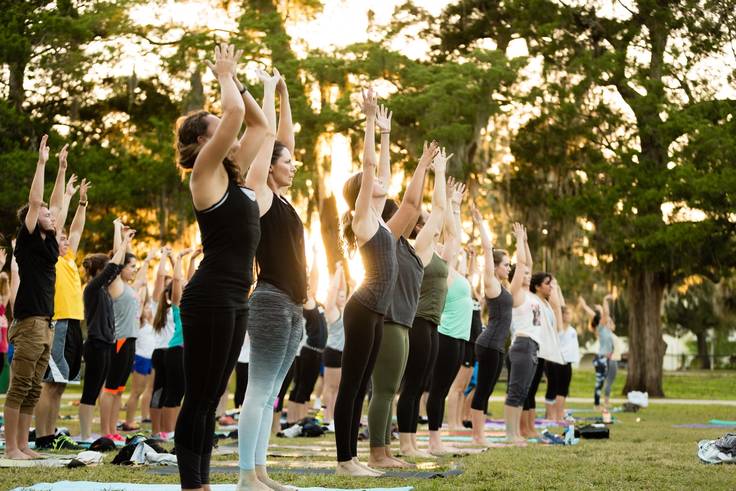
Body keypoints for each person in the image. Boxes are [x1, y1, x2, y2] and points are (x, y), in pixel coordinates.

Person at [174, 42, 270, 491]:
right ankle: (193, 485)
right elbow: (233, 116)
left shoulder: (232, 172)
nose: (226, 134)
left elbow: (259, 124)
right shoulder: (206, 172)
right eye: (215, 130)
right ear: (202, 141)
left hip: (236, 296)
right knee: (199, 396)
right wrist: (224, 76)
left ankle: (203, 481)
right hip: (209, 295)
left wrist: (241, 82)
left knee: (214, 397)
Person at [237, 65, 305, 491]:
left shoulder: (287, 200)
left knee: (271, 394)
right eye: (288, 162)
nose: (293, 165)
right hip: (270, 300)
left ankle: (261, 472)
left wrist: (283, 92)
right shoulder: (261, 194)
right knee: (258, 390)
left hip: (294, 305)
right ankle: (246, 477)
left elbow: (285, 139)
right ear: (271, 167)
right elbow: (267, 143)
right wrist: (263, 90)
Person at [366, 134, 445, 466]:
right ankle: (377, 454)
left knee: (389, 389)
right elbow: (410, 204)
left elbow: (435, 214)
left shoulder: (408, 249)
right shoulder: (385, 237)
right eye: (401, 215)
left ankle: (383, 450)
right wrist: (422, 166)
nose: (413, 219)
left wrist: (437, 175)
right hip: (388, 319)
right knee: (384, 389)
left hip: (401, 321)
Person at [334, 87, 399, 476]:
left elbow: (383, 173)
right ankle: (345, 462)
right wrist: (370, 123)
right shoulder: (362, 220)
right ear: (361, 191)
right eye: (370, 179)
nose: (379, 180)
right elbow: (370, 165)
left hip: (376, 311)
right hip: (362, 309)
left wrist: (387, 134)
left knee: (364, 387)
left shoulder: (378, 216)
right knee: (352, 386)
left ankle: (353, 459)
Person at [4, 135, 65, 460]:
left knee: (33, 387)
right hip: (28, 323)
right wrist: (41, 164)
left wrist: (60, 169)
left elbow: (54, 205)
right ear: (30, 216)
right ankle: (12, 446)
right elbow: (38, 200)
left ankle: (24, 445)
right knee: (19, 386)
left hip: (46, 323)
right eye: (41, 213)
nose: (49, 214)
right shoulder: (26, 240)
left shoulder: (50, 242)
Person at [396, 144, 449, 459]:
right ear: (419, 227)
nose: (433, 223)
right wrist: (437, 172)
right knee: (413, 385)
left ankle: (412, 443)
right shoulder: (420, 246)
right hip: (416, 322)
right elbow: (438, 211)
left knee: (420, 385)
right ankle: (405, 444)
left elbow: (443, 216)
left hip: (430, 324)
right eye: (426, 220)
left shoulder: (433, 250)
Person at [35, 176, 91, 451]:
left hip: (72, 323)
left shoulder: (68, 258)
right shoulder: (50, 259)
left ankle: (51, 433)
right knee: (49, 383)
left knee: (59, 384)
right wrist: (67, 196)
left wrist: (82, 202)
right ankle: (42, 436)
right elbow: (57, 215)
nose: (67, 241)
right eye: (62, 238)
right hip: (57, 321)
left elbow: (77, 229)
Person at [78, 226, 136, 442]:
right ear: (99, 271)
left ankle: (90, 434)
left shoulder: (102, 290)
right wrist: (122, 239)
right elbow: (115, 266)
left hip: (105, 343)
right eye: (106, 269)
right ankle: (85, 435)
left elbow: (115, 266)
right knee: (90, 392)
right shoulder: (92, 288)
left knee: (95, 391)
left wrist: (122, 238)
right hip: (95, 344)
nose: (110, 273)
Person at [426, 180, 470, 456]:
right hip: (446, 336)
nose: (448, 247)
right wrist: (450, 206)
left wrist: (456, 206)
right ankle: (434, 441)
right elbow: (452, 236)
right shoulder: (440, 269)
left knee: (442, 390)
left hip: (459, 338)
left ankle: (437, 438)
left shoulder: (452, 271)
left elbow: (455, 236)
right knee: (438, 390)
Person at [468, 205, 514, 446]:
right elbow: (488, 248)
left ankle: (480, 434)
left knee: (486, 391)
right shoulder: (491, 283)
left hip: (496, 346)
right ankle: (478, 436)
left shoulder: (504, 287)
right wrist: (479, 222)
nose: (509, 267)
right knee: (483, 390)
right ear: (495, 266)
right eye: (505, 264)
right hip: (487, 344)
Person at [287, 252, 327, 425]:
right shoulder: (306, 301)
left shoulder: (316, 302)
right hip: (307, 350)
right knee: (301, 387)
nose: (313, 286)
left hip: (316, 352)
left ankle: (300, 421)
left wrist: (316, 259)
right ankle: (293, 420)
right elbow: (313, 281)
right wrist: (311, 264)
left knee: (307, 388)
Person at [124, 291, 156, 430]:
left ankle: (143, 416)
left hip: (150, 359)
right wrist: (143, 289)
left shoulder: (151, 323)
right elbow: (141, 303)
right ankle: (129, 421)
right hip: (140, 358)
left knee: (145, 390)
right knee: (136, 391)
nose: (149, 309)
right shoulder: (140, 323)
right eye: (146, 307)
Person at [321, 262, 347, 430]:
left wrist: (343, 273)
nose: (343, 296)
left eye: (344, 295)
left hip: (342, 353)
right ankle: (326, 417)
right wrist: (337, 271)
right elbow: (332, 291)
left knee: (338, 388)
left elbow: (343, 289)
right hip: (332, 352)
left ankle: (333, 418)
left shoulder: (345, 309)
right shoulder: (331, 310)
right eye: (340, 295)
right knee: (329, 387)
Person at [580, 294, 616, 410]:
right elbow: (606, 313)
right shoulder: (600, 327)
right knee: (599, 383)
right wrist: (605, 300)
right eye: (602, 317)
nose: (605, 318)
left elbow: (599, 315)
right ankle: (596, 405)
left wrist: (585, 306)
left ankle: (598, 404)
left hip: (603, 359)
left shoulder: (605, 328)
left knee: (600, 383)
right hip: (601, 359)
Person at [544, 306, 579, 421]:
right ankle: (552, 416)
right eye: (567, 313)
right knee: (554, 389)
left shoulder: (572, 330)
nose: (569, 315)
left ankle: (558, 415)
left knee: (563, 390)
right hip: (557, 361)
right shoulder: (558, 330)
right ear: (562, 315)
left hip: (567, 362)